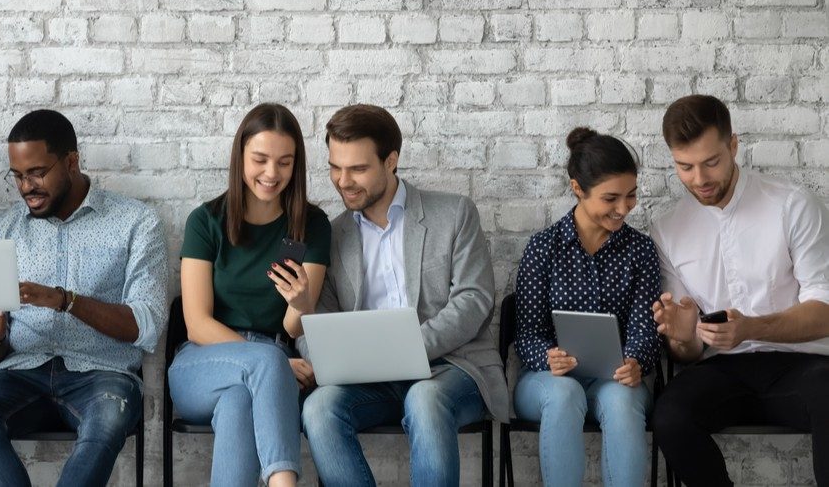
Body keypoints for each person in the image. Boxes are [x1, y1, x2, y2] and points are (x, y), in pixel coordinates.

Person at [0, 109, 168, 487]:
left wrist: (65, 300)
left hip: (102, 374)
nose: (25, 187)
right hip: (19, 372)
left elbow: (147, 325)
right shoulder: (2, 229)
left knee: (108, 421)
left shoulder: (135, 222)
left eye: (37, 173)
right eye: (17, 176)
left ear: (71, 162)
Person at [300, 104, 506, 487]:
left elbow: (474, 299)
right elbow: (314, 320)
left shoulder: (454, 213)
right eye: (335, 167)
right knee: (319, 409)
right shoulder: (332, 236)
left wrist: (405, 349)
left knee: (424, 400)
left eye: (358, 169)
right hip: (369, 379)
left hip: (450, 368)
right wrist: (326, 359)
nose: (343, 181)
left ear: (391, 161)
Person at [651, 94, 829, 486]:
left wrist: (751, 328)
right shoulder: (667, 230)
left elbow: (825, 312)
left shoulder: (793, 205)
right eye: (685, 167)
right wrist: (682, 340)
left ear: (734, 146)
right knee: (669, 416)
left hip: (803, 366)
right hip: (722, 370)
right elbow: (688, 352)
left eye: (712, 162)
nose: (700, 179)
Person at [167, 103, 330, 487]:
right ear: (240, 156)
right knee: (262, 367)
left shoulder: (312, 225)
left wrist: (300, 302)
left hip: (275, 359)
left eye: (285, 162)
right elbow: (197, 324)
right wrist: (269, 362)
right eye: (260, 159)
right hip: (204, 360)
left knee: (239, 402)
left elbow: (293, 327)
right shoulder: (206, 222)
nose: (272, 173)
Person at [513, 127, 660, 487]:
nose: (623, 208)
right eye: (611, 198)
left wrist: (635, 361)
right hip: (548, 381)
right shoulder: (544, 248)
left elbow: (645, 328)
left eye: (631, 196)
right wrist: (548, 357)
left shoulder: (640, 251)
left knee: (623, 401)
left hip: (615, 380)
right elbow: (528, 332)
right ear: (578, 189)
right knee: (564, 394)